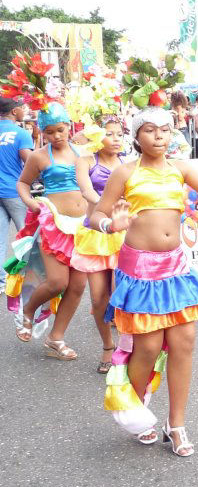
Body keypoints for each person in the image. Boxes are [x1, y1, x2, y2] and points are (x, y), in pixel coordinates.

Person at [91, 107, 198, 454]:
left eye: (165, 129)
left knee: (184, 342)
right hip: (140, 269)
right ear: (137, 135)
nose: (159, 136)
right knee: (146, 346)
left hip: (175, 267)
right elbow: (95, 214)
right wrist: (108, 225)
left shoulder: (183, 169)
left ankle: (176, 424)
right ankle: (134, 411)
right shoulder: (125, 172)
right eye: (149, 130)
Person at [14, 103, 87, 360]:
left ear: (69, 126)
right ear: (42, 133)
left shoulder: (83, 151)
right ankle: (28, 311)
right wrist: (30, 201)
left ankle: (56, 338)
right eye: (50, 132)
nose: (57, 136)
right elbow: (23, 183)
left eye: (60, 129)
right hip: (54, 224)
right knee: (58, 282)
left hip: (83, 226)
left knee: (77, 286)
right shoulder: (39, 156)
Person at [73, 117, 126, 373]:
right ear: (97, 137)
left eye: (120, 134)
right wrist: (105, 206)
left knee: (122, 295)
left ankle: (128, 348)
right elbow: (86, 191)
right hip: (96, 233)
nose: (116, 138)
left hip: (124, 236)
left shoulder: (128, 164)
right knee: (97, 299)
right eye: (110, 134)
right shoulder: (86, 162)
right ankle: (108, 346)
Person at [0, 97, 33, 290]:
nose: (25, 111)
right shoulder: (20, 133)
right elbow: (30, 161)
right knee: (26, 234)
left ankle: (2, 282)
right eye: (22, 108)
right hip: (14, 190)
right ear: (13, 112)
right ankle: (27, 276)